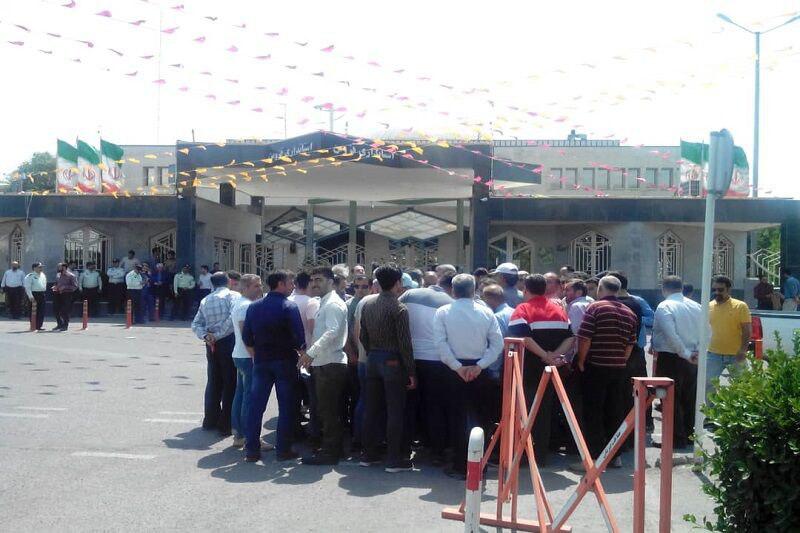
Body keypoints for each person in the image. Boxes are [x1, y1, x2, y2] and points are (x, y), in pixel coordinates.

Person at [434, 274, 503, 478]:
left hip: (454, 370)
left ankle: (459, 465)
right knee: (481, 418)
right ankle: (479, 464)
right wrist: (480, 366)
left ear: (453, 291)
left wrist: (457, 367)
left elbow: (440, 344)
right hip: (479, 369)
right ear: (474, 291)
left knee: (456, 417)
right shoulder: (486, 312)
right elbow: (497, 344)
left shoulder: (443, 312)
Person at [508, 274, 574, 465]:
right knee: (544, 411)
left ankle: (524, 454)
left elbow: (524, 339)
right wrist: (554, 356)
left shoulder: (522, 310)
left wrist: (545, 355)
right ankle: (540, 455)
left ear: (525, 290)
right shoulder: (559, 311)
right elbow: (571, 338)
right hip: (551, 370)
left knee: (524, 411)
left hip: (527, 370)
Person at [572, 275, 638, 469]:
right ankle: (615, 456)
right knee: (614, 411)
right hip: (618, 368)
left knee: (593, 412)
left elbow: (585, 337)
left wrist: (581, 361)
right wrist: (621, 360)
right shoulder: (629, 312)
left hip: (596, 366)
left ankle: (594, 458)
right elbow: (630, 344)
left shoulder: (595, 308)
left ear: (600, 289)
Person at [359, 264, 417, 472]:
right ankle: (393, 458)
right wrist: (411, 371)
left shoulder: (368, 305)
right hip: (392, 361)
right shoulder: (399, 308)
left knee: (371, 409)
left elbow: (363, 336)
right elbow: (405, 343)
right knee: (395, 411)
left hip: (373, 358)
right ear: (398, 283)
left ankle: (368, 454)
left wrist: (372, 353)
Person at [242, 271, 304, 462]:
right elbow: (299, 338)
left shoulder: (254, 307)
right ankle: (283, 450)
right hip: (285, 361)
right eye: (290, 283)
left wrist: (256, 352)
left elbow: (246, 337)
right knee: (286, 407)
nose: (293, 286)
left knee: (256, 406)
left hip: (261, 360)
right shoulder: (289, 306)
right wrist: (302, 353)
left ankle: (251, 450)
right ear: (280, 284)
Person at [398, 271, 454, 465]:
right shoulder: (450, 302)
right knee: (434, 406)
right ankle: (436, 450)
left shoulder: (410, 294)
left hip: (409, 358)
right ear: (451, 288)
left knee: (408, 405)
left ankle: (403, 450)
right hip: (436, 361)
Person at [298, 266, 349, 465]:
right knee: (329, 410)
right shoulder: (325, 302)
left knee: (329, 412)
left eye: (318, 280)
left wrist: (311, 353)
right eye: (312, 280)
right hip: (325, 363)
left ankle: (330, 453)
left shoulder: (333, 304)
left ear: (330, 281)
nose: (314, 284)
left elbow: (332, 332)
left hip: (330, 364)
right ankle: (333, 449)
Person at [651, 276, 703, 448]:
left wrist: (685, 353)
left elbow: (671, 335)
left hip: (671, 357)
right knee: (689, 397)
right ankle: (688, 435)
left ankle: (676, 439)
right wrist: (697, 352)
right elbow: (708, 331)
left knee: (670, 399)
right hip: (693, 357)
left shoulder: (664, 306)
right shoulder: (696, 306)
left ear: (664, 288)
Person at [191, 271, 240, 437]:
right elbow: (232, 319)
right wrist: (217, 335)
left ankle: (210, 419)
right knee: (230, 382)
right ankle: (226, 423)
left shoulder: (206, 299)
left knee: (214, 380)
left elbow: (196, 323)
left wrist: (206, 336)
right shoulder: (233, 296)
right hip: (228, 341)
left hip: (211, 344)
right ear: (228, 281)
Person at [229, 275, 265, 449]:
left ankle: (239, 434)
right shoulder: (246, 306)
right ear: (245, 288)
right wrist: (255, 356)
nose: (260, 289)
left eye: (260, 285)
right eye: (256, 286)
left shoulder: (242, 303)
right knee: (249, 397)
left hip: (241, 354)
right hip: (246, 356)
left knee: (241, 394)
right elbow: (247, 336)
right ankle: (248, 436)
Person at [706, 275, 751, 401]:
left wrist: (743, 350)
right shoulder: (708, 306)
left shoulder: (740, 306)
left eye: (720, 290)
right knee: (708, 384)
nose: (717, 292)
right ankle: (712, 411)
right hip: (713, 354)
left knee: (742, 386)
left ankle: (739, 411)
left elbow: (747, 330)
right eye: (714, 289)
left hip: (736, 354)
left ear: (729, 289)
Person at [346, 274, 371, 450]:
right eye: (357, 286)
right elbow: (346, 333)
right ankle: (356, 436)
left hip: (366, 357)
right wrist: (351, 353)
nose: (360, 290)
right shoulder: (349, 305)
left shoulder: (370, 302)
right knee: (357, 396)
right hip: (355, 357)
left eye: (364, 286)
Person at [52, 262, 78, 331]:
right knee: (56, 310)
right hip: (57, 294)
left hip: (67, 294)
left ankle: (65, 325)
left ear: (64, 267)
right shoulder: (58, 275)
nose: (58, 268)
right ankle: (59, 324)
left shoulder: (71, 276)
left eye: (59, 267)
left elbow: (75, 286)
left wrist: (65, 287)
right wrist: (55, 286)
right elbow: (57, 283)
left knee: (65, 311)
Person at [24, 262, 47, 330]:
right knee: (33, 311)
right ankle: (33, 325)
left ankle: (39, 326)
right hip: (34, 294)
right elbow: (27, 287)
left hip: (42, 294)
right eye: (39, 267)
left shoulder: (43, 275)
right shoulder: (30, 276)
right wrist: (30, 296)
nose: (41, 268)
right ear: (34, 268)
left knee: (41, 310)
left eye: (41, 267)